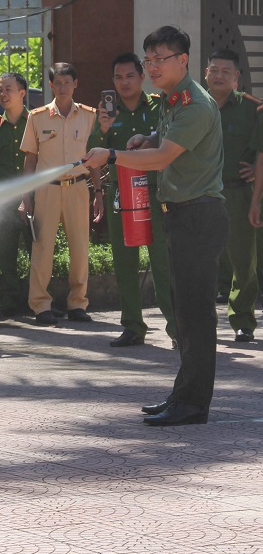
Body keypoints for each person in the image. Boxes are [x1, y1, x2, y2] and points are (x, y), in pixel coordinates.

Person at [84, 26, 229, 427]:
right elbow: (164, 143)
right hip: (182, 214)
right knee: (184, 312)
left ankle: (194, 403)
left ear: (183, 60)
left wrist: (112, 155)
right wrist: (145, 138)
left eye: (159, 59)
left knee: (196, 316)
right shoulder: (173, 99)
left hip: (199, 215)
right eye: (148, 60)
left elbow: (165, 158)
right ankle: (183, 395)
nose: (151, 67)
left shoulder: (194, 104)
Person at [87, 52, 177, 348]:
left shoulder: (159, 106)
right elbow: (92, 155)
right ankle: (133, 327)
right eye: (117, 77)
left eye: (129, 76)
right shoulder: (106, 114)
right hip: (120, 195)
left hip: (156, 192)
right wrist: (101, 129)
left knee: (163, 261)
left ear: (141, 77)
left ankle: (177, 328)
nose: (124, 82)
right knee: (124, 262)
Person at [20, 62, 103, 326]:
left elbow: (95, 159)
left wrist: (98, 192)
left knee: (80, 248)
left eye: (68, 82)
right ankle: (40, 306)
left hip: (78, 188)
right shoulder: (37, 116)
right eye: (58, 82)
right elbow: (30, 160)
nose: (63, 87)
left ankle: (78, 304)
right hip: (47, 190)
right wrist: (26, 196)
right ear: (51, 85)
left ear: (76, 84)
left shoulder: (89, 116)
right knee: (43, 248)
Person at [204, 48, 260, 343]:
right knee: (203, 259)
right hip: (200, 193)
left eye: (226, 71)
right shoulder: (194, 106)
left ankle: (243, 320)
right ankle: (202, 320)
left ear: (236, 76)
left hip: (237, 192)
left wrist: (255, 166)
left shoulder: (253, 109)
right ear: (206, 73)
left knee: (243, 259)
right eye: (214, 70)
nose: (219, 76)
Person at [0, 72, 34, 317]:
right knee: (5, 250)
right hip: (4, 197)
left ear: (22, 93)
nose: (3, 94)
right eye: (0, 89)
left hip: (33, 195)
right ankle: (10, 300)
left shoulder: (35, 122)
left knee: (38, 247)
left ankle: (38, 299)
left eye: (8, 89)